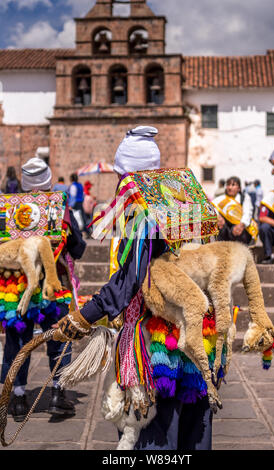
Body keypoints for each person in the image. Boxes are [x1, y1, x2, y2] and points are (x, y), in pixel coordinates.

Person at [52, 126, 213, 451]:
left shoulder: (143, 211)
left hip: (158, 339)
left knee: (155, 433)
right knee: (193, 430)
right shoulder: (184, 198)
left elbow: (129, 283)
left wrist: (84, 316)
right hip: (198, 332)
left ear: (127, 176)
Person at [0, 156, 86, 421]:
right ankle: (58, 394)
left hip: (18, 289)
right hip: (51, 286)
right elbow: (78, 249)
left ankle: (17, 397)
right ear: (48, 180)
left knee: (16, 342)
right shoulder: (59, 209)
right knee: (60, 336)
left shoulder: (7, 210)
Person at [212, 176, 258, 245]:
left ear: (239, 188)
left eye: (233, 185)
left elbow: (247, 213)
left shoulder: (245, 198)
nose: (230, 187)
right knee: (219, 227)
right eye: (228, 185)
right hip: (226, 229)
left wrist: (241, 225)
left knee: (239, 233)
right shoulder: (221, 199)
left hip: (241, 229)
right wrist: (218, 217)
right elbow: (212, 208)